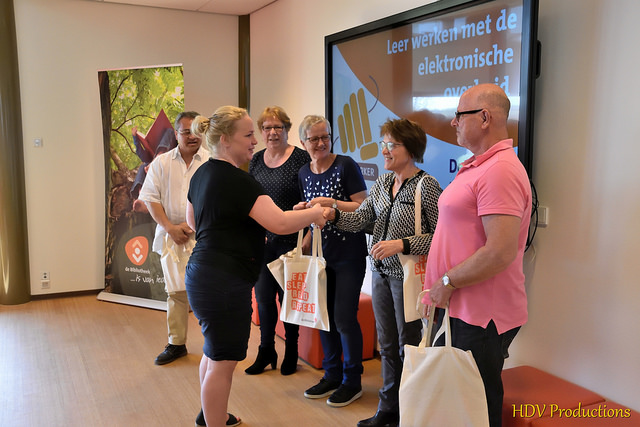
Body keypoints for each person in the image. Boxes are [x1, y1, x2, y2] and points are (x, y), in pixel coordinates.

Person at [185, 106, 326, 427]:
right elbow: (279, 223)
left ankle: (211, 415)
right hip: (224, 282)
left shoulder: (202, 174)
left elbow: (194, 222)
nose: (255, 141)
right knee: (223, 361)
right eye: (248, 135)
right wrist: (316, 213)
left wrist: (239, 230)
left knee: (214, 352)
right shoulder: (239, 180)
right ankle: (213, 421)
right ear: (225, 139)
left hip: (201, 275)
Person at [422, 83, 532, 427]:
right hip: (461, 308)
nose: (453, 122)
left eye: (459, 115)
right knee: (457, 405)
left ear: (484, 118)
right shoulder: (479, 166)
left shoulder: (500, 171)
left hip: (480, 315)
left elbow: (499, 252)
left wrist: (446, 282)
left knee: (475, 409)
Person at [323, 118, 442, 427]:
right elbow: (361, 219)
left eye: (392, 145)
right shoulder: (382, 183)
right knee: (387, 346)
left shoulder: (426, 185)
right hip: (380, 275)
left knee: (409, 346)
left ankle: (411, 411)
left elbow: (442, 237)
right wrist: (332, 215)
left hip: (409, 279)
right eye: (383, 144)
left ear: (410, 149)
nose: (385, 150)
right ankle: (388, 407)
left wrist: (401, 244)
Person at [294, 115, 368, 408]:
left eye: (325, 136)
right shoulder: (304, 172)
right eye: (314, 138)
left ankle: (352, 381)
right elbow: (314, 217)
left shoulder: (345, 165)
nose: (321, 143)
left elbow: (363, 207)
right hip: (320, 257)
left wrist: (331, 203)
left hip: (349, 255)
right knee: (323, 318)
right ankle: (332, 374)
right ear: (303, 142)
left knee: (344, 318)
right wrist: (305, 231)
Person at [138, 111, 208, 365]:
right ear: (176, 134)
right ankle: (176, 344)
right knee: (176, 293)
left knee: (206, 293)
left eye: (196, 131)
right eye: (186, 131)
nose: (192, 136)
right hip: (171, 236)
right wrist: (169, 227)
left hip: (204, 237)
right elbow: (150, 198)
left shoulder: (211, 162)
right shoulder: (162, 162)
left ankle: (213, 346)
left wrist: (192, 226)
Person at [246, 106, 311, 376]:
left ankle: (291, 350)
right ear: (261, 132)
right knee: (263, 298)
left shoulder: (301, 158)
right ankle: (266, 350)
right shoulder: (256, 160)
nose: (272, 132)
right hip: (262, 242)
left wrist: (308, 236)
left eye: (278, 127)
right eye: (267, 128)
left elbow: (311, 200)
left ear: (287, 129)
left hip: (292, 242)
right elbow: (250, 200)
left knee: (288, 300)